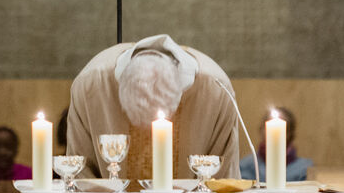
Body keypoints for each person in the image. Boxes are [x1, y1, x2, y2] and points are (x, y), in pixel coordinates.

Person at [66, 34, 239, 179]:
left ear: (179, 97)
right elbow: (81, 173)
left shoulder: (216, 91)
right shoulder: (91, 86)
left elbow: (223, 179)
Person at [238, 106, 313, 183]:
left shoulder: (304, 169)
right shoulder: (245, 166)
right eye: (268, 127)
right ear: (261, 129)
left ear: (289, 133)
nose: (274, 134)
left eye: (282, 128)